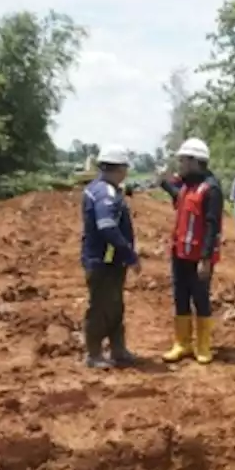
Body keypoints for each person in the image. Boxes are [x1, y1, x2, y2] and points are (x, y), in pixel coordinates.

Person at [159, 137, 224, 364]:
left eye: (183, 160)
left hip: (199, 256)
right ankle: (182, 343)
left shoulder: (211, 188)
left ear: (195, 162)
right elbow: (179, 198)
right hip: (180, 254)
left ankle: (203, 346)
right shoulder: (187, 185)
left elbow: (211, 225)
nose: (180, 165)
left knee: (200, 298)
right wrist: (163, 182)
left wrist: (205, 259)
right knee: (181, 297)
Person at [80, 145, 141, 369]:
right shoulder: (105, 193)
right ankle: (94, 354)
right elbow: (107, 227)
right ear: (118, 169)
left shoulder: (96, 188)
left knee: (115, 306)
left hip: (108, 260)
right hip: (104, 261)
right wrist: (130, 255)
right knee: (100, 307)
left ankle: (118, 350)